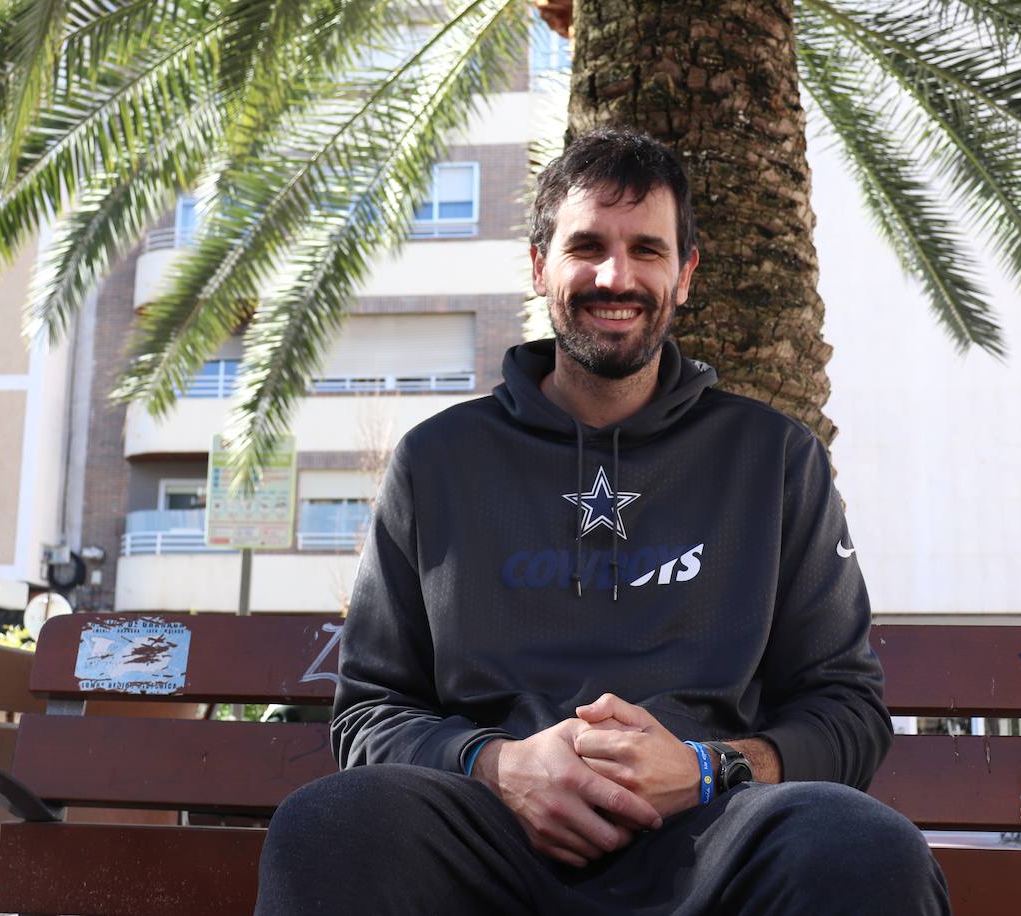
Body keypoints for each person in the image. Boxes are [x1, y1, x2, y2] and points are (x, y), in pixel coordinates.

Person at [256, 128, 950, 915]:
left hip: (712, 832)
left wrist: (706, 766)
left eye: (647, 250)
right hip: (490, 838)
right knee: (329, 825)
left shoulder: (775, 460)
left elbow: (847, 710)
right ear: (539, 266)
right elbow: (371, 713)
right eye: (586, 245)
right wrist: (498, 765)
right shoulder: (439, 461)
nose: (616, 276)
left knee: (863, 849)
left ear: (684, 275)